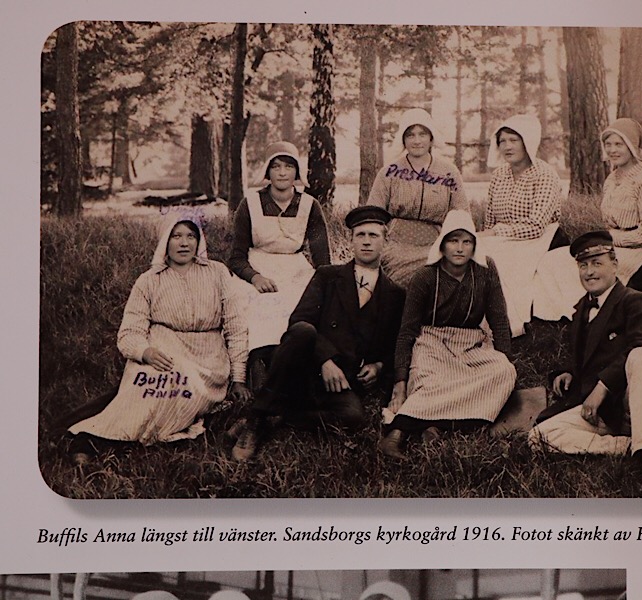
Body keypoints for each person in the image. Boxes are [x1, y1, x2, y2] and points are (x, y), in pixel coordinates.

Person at [67, 214, 251, 461]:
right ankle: (96, 438)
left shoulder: (217, 273)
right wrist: (145, 352)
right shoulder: (149, 280)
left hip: (207, 359)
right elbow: (129, 332)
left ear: (199, 241)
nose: (184, 243)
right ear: (165, 241)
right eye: (176, 236)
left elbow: (236, 328)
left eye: (191, 236)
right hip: (161, 349)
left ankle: (112, 440)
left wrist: (238, 378)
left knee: (180, 381)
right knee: (146, 386)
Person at [231, 206, 405, 461]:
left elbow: (394, 344)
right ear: (351, 240)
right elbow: (299, 320)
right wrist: (325, 360)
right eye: (360, 235)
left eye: (373, 235)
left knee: (353, 417)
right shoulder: (327, 276)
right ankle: (255, 422)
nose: (366, 242)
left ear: (385, 241)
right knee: (302, 331)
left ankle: (279, 417)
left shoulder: (395, 294)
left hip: (343, 380)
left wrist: (378, 366)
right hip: (306, 367)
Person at [529, 230, 642, 497]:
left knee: (641, 356)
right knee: (540, 436)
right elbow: (586, 354)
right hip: (607, 413)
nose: (589, 272)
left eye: (597, 263)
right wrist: (568, 372)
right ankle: (626, 446)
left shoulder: (635, 300)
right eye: (583, 265)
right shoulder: (581, 309)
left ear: (615, 265)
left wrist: (603, 385)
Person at [378, 210, 516, 459]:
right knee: (427, 380)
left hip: (471, 344)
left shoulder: (486, 269)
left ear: (474, 244)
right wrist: (400, 381)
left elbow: (499, 319)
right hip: (432, 341)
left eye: (467, 241)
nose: (460, 248)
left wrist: (504, 357)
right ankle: (396, 434)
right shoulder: (425, 276)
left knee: (504, 371)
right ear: (442, 244)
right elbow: (407, 331)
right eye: (453, 240)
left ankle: (436, 424)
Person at [532, 118, 642, 321]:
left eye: (619, 144)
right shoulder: (612, 179)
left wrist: (608, 240)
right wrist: (606, 239)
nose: (612, 150)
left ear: (632, 146)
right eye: (608, 144)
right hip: (616, 242)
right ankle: (561, 313)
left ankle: (589, 315)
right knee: (553, 259)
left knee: (588, 264)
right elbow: (609, 222)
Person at [229, 140, 331, 359]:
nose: (282, 173)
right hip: (258, 266)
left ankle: (300, 360)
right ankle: (258, 361)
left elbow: (323, 260)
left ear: (297, 171)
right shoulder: (250, 204)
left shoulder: (309, 205)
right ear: (267, 171)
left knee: (306, 305)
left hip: (296, 270)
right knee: (258, 304)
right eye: (276, 166)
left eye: (288, 166)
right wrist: (255, 277)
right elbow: (236, 258)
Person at [477, 113, 564, 337]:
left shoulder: (544, 174)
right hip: (504, 237)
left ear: (528, 142)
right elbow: (490, 218)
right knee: (478, 253)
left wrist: (496, 233)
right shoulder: (499, 175)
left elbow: (536, 225)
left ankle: (509, 324)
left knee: (503, 264)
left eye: (514, 140)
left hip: (541, 238)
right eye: (502, 141)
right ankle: (477, 321)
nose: (507, 146)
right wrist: (490, 234)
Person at [364, 108, 470, 286]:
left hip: (436, 244)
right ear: (403, 139)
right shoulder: (389, 172)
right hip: (396, 245)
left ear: (431, 138)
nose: (417, 140)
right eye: (410, 135)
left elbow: (462, 215)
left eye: (422, 134)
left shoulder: (449, 172)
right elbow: (372, 216)